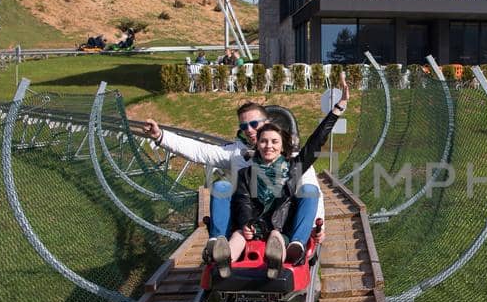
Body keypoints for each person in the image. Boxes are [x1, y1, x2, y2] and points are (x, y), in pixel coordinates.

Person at [139, 96, 329, 259]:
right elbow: (200, 151)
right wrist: (160, 136)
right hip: (247, 216)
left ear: (268, 123)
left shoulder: (291, 159)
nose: (249, 129)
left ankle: (294, 244)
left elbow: (311, 189)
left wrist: (316, 225)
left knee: (307, 191)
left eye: (254, 124)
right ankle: (218, 242)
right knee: (221, 187)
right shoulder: (236, 153)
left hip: (280, 216)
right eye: (244, 126)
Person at [204, 72, 349, 277]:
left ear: (282, 147)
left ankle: (279, 260)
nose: (268, 146)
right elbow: (243, 202)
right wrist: (247, 224)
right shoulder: (247, 173)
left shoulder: (293, 168)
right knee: (237, 236)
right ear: (258, 144)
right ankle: (223, 261)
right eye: (263, 141)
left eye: (274, 142)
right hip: (254, 226)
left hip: (279, 227)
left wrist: (338, 108)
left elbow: (317, 141)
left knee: (279, 231)